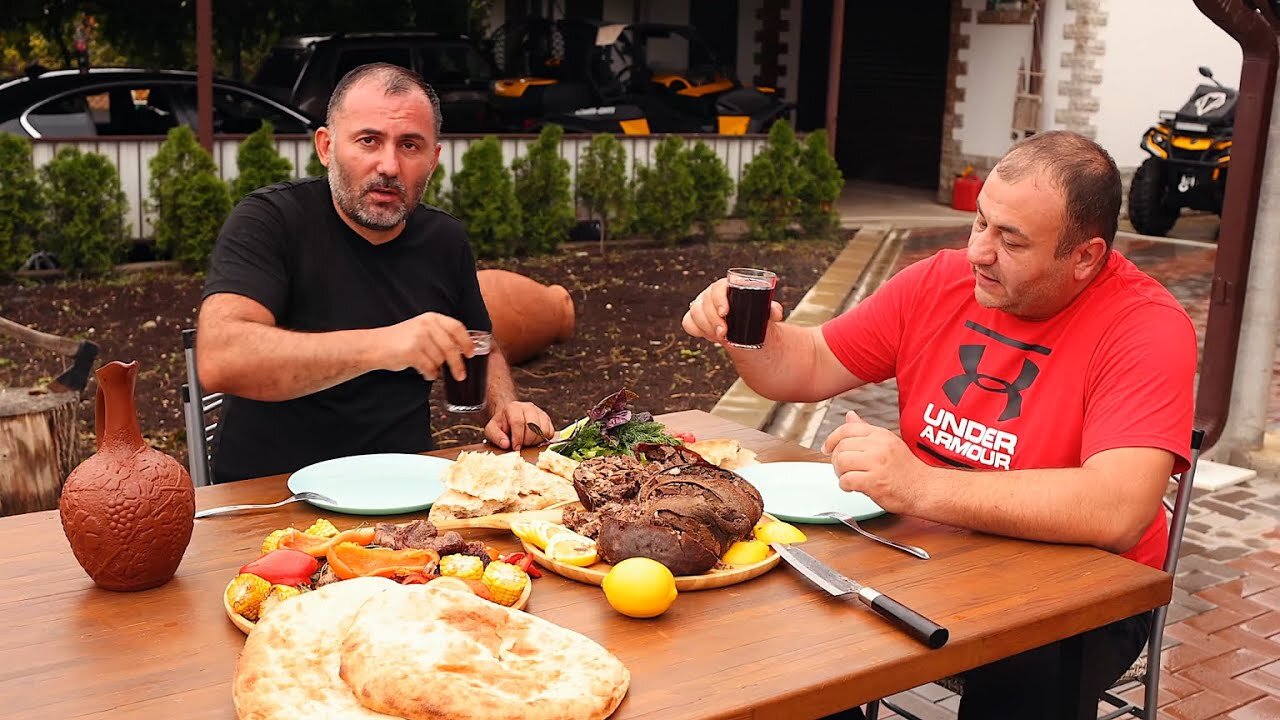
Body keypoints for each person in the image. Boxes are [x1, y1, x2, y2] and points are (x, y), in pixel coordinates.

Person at [683, 131, 1196, 719]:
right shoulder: (942, 281)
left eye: (1012, 241)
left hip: (1084, 589)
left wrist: (920, 485)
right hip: (933, 552)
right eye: (980, 223)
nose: (979, 250)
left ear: (1084, 256)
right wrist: (746, 333)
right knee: (782, 635)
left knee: (1025, 676)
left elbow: (1118, 511)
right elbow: (808, 364)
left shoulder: (1145, 327)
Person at [197, 63, 552, 484]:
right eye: (369, 140)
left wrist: (506, 406)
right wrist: (386, 345)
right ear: (327, 147)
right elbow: (221, 357)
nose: (389, 165)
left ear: (433, 160)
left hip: (406, 490)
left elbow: (481, 345)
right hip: (270, 494)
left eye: (409, 145)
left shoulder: (444, 239)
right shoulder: (271, 220)